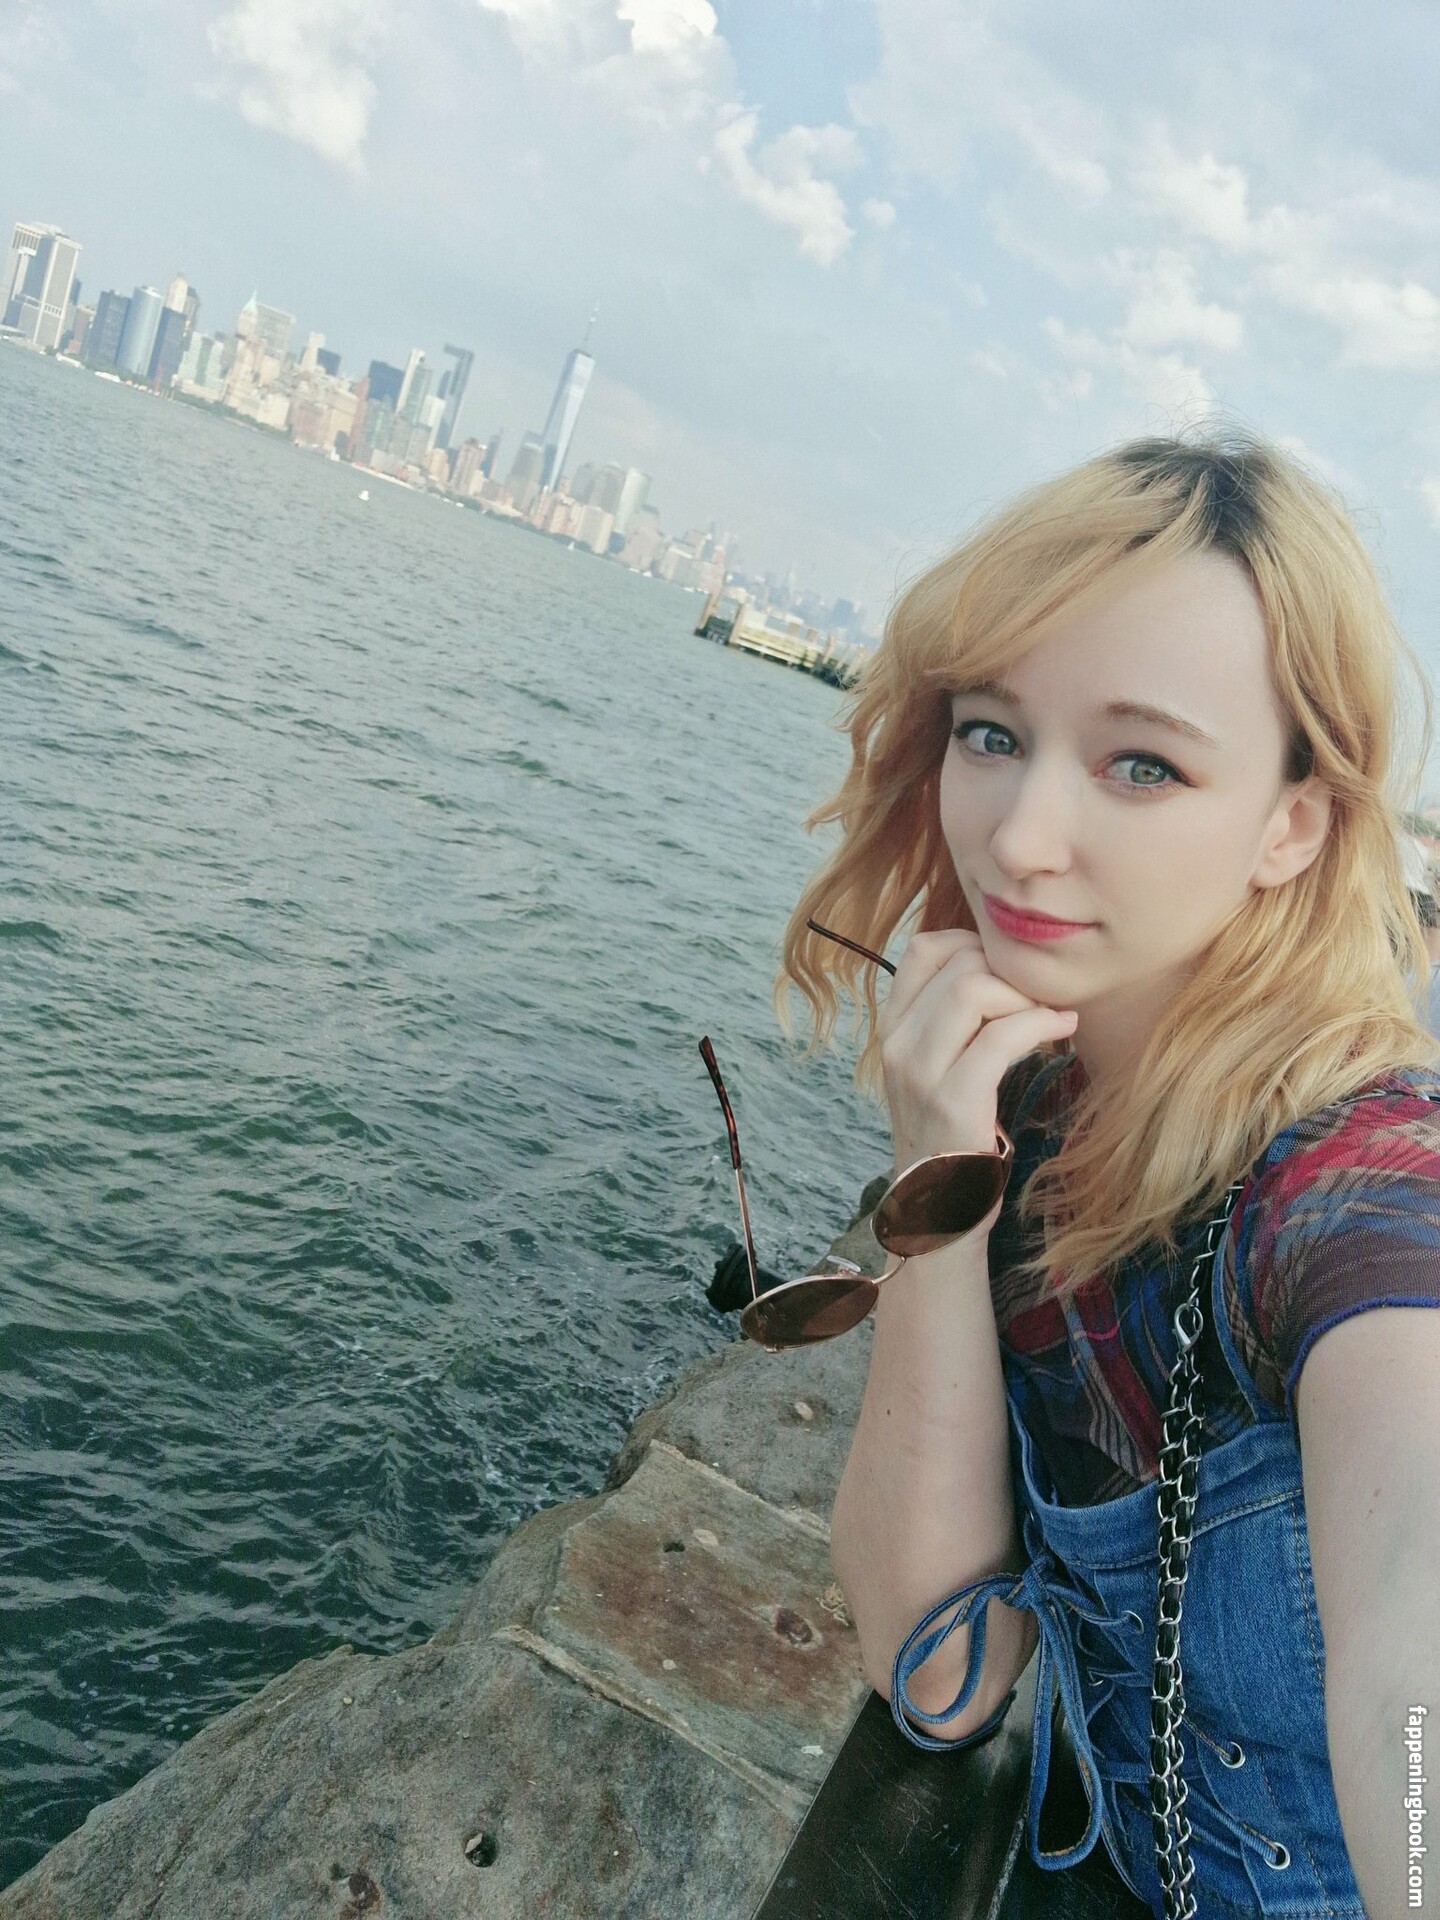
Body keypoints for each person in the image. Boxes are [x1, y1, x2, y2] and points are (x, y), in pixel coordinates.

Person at [777, 437, 1440, 1919]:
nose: (1019, 838)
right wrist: (938, 1176)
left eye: (1144, 764)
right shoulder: (1031, 1113)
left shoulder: (1357, 1182)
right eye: (993, 732)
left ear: (1292, 824)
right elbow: (938, 1670)